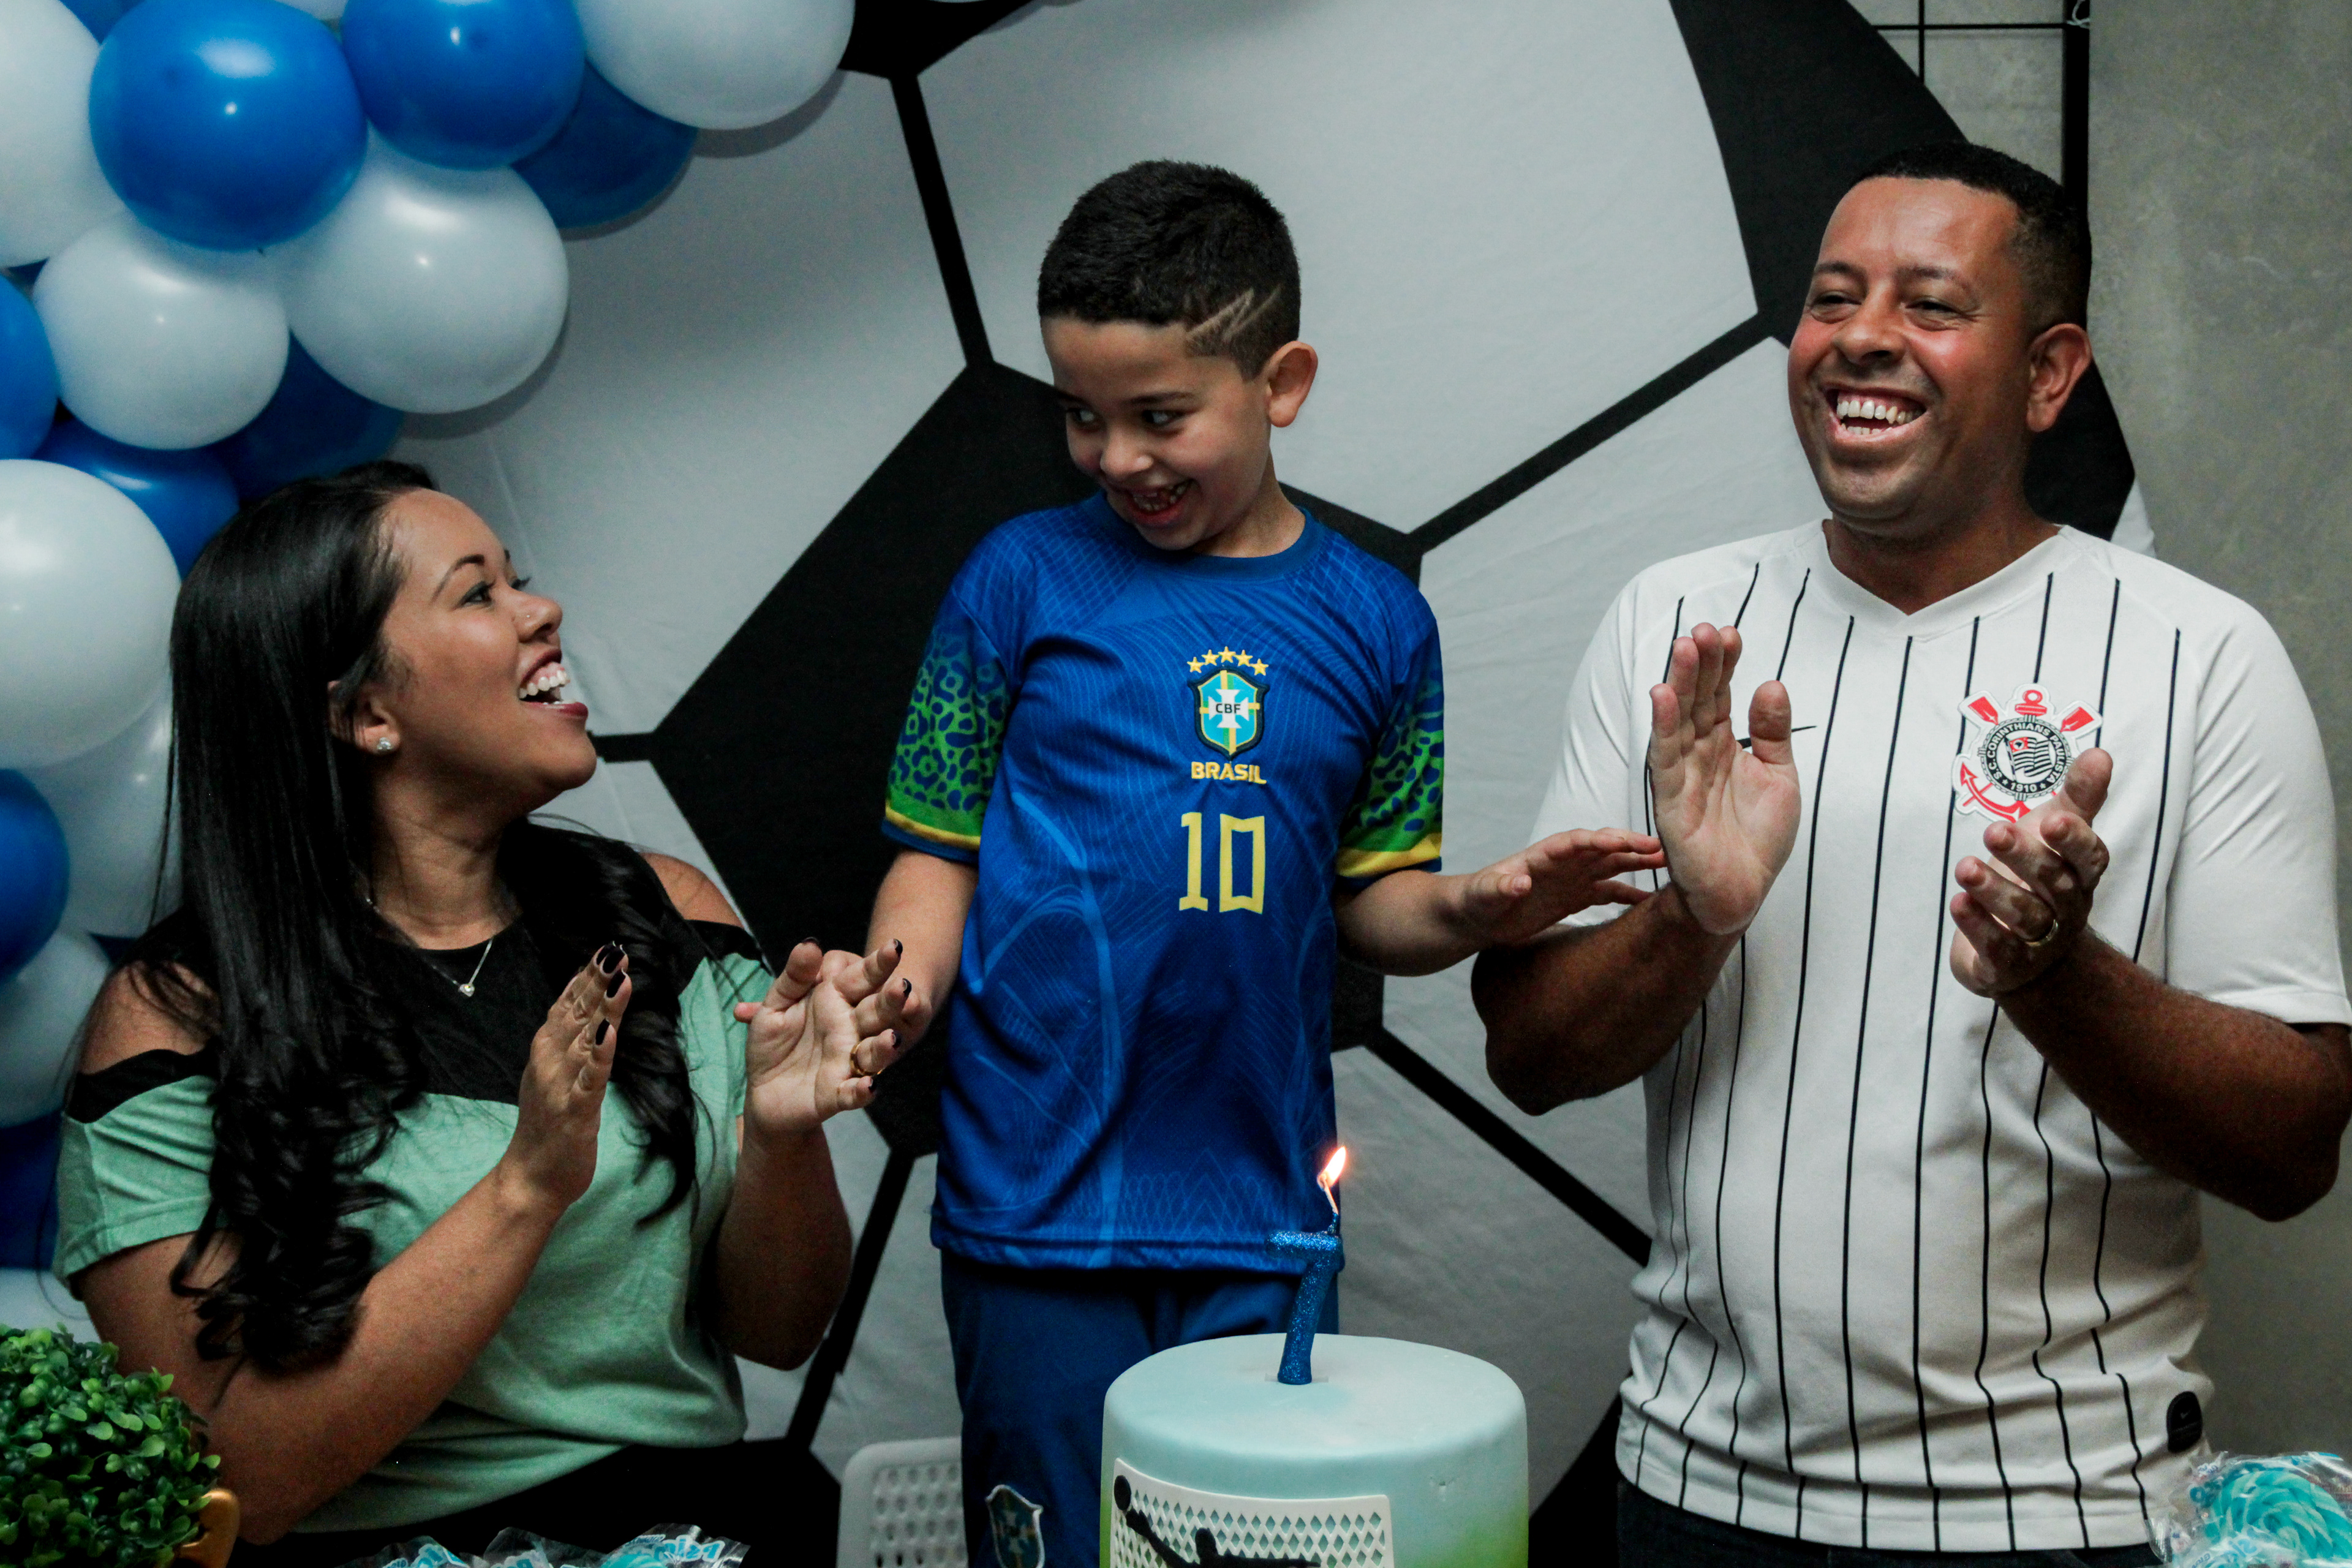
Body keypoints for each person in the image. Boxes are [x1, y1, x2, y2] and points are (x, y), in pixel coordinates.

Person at [1475, 140, 2352, 1564]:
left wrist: (2057, 974)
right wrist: (1693, 914)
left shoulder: (2198, 654)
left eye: (1931, 304)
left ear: (2048, 372)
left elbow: (2296, 1143)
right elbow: (1529, 1055)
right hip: (1700, 1492)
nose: (1862, 337)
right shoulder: (1676, 623)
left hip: (2072, 1512)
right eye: (1833, 298)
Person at [849, 160, 1663, 1568]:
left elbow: (1379, 904)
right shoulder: (1018, 578)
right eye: (1082, 416)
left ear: (1279, 382)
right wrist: (895, 992)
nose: (1116, 457)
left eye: (1161, 415)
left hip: (1259, 1213)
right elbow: (937, 850)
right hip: (1034, 1200)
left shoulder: (1379, 621)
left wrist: (1478, 907)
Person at [56, 462, 902, 1566]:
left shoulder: (663, 915)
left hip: (691, 1535)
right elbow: (238, 1482)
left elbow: (779, 1331)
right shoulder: (174, 1020)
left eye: (521, 580)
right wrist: (526, 1185)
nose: (540, 610)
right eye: (477, 594)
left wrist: (782, 1140)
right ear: (365, 713)